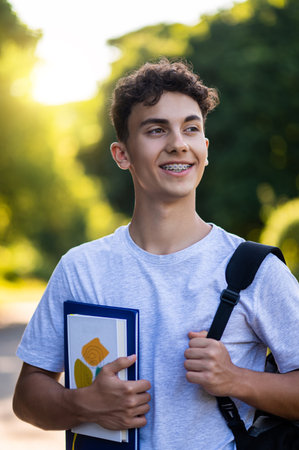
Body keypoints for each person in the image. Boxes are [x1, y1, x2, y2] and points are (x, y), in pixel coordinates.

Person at [13, 58, 299, 449]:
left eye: (191, 129)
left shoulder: (254, 270)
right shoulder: (81, 268)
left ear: (205, 149)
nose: (178, 143)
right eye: (156, 129)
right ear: (122, 154)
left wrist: (237, 379)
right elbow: (28, 396)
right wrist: (81, 403)